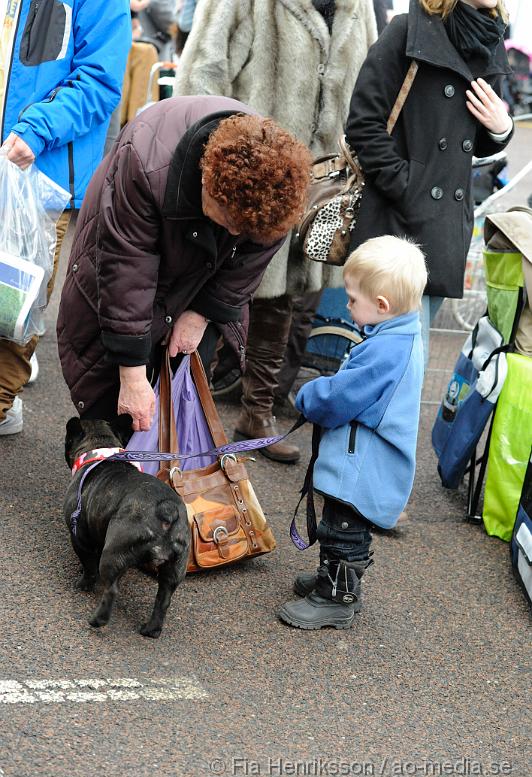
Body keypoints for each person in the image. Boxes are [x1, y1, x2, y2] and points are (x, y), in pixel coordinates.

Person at [174, 0, 378, 464]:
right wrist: (219, 155)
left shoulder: (358, 5)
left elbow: (368, 84)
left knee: (285, 296)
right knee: (204, 284)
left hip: (318, 180)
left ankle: (257, 413)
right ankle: (180, 411)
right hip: (244, 176)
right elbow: (201, 72)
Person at [56, 95, 312, 432]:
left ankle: (162, 468)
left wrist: (202, 312)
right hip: (128, 239)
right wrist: (132, 374)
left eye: (245, 227)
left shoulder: (274, 195)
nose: (236, 231)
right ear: (209, 181)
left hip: (202, 266)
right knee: (115, 383)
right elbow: (127, 270)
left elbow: (251, 257)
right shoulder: (145, 163)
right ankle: (103, 459)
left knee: (184, 385)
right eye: (230, 221)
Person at [345, 0, 513, 365]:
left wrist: (502, 129)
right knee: (395, 362)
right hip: (398, 224)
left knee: (410, 359)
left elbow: (475, 135)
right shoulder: (407, 30)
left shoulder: (487, 39)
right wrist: (409, 187)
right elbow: (363, 124)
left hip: (443, 227)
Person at [278, 236, 427, 629]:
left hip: (362, 464)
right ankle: (337, 581)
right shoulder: (400, 335)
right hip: (364, 459)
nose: (347, 306)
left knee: (344, 528)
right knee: (342, 526)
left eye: (352, 299)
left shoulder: (386, 350)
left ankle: (336, 597)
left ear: (382, 305)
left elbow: (340, 398)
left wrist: (309, 395)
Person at [0, 0, 131, 436]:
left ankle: (3, 398)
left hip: (37, 172)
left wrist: (37, 128)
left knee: (12, 306)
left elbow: (99, 78)